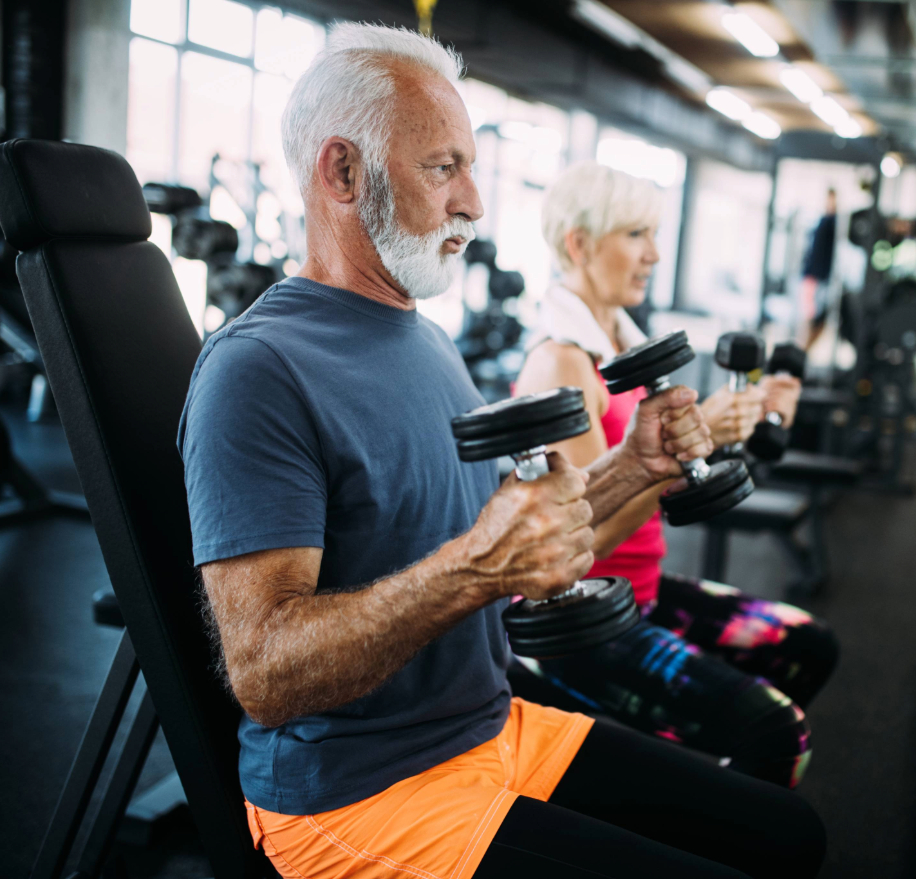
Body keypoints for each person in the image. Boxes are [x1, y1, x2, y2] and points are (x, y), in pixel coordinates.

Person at [178, 23, 824, 879]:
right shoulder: (258, 370)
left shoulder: (424, 337)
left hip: (490, 724)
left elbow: (511, 536)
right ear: (342, 172)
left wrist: (637, 463)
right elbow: (264, 670)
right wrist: (472, 572)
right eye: (443, 167)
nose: (474, 202)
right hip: (359, 792)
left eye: (469, 168)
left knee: (788, 836)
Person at [509, 162, 838, 791]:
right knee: (779, 736)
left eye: (652, 235)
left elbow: (677, 478)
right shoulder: (561, 362)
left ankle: (707, 785)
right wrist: (694, 441)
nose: (655, 254)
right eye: (636, 235)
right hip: (582, 622)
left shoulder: (620, 348)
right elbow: (576, 546)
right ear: (579, 244)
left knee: (807, 646)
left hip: (644, 589)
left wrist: (748, 418)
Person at [797, 188, 837, 346]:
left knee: (819, 319)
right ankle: (802, 350)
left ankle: (804, 350)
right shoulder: (822, 222)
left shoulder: (832, 222)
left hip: (821, 278)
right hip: (813, 277)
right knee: (810, 317)